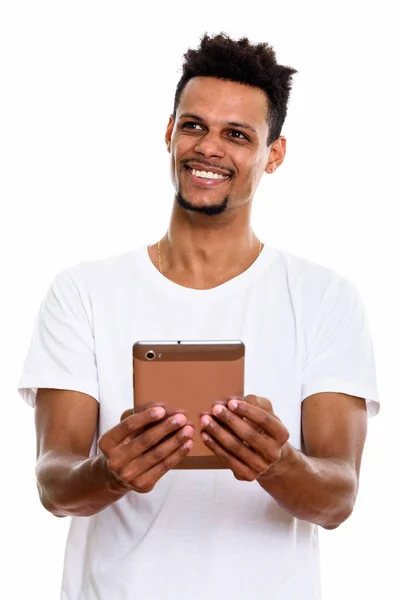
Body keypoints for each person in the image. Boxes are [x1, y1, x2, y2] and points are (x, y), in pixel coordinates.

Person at [18, 33, 379, 600]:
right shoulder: (83, 293)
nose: (209, 148)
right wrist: (107, 473)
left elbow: (338, 498)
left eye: (237, 135)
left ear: (273, 154)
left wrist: (276, 463)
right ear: (169, 133)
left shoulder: (325, 299)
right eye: (194, 126)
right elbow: (54, 484)